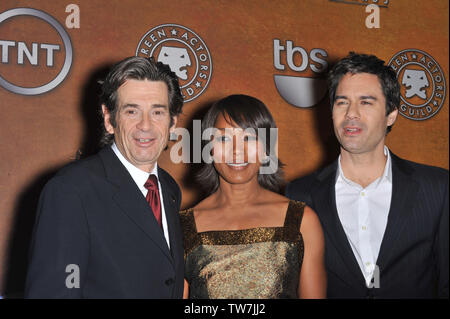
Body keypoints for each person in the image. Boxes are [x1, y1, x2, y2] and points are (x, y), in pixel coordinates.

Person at [286, 52, 449, 298]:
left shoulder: (438, 188)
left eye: (366, 102)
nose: (351, 113)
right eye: (342, 102)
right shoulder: (299, 194)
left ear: (391, 114)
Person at [25, 56, 185, 298]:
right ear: (109, 119)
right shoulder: (71, 190)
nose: (145, 125)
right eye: (132, 111)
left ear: (173, 122)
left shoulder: (169, 189)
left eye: (157, 112)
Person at [180, 94, 326, 299]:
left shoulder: (301, 220)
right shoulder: (183, 227)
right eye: (223, 138)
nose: (237, 151)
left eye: (249, 138)